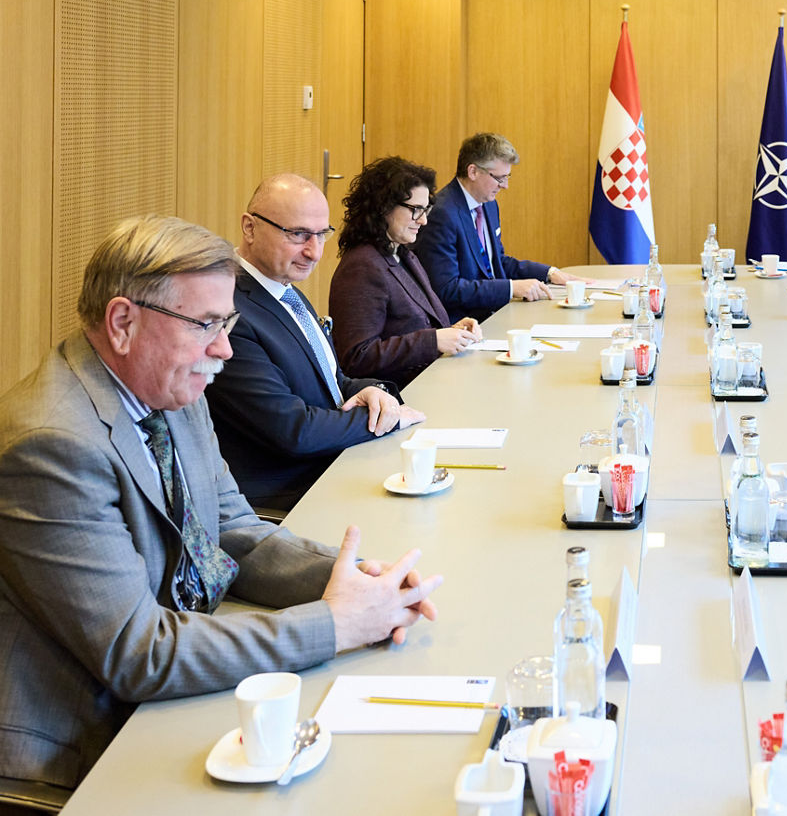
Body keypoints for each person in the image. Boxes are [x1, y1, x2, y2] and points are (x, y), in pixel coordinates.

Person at [0, 215, 442, 789]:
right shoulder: (51, 444)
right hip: (84, 739)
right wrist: (334, 625)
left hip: (173, 688)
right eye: (206, 323)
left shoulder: (169, 384)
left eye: (228, 321)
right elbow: (139, 655)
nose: (225, 348)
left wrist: (352, 580)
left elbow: (228, 527)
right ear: (122, 321)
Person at [204, 174, 425, 511]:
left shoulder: (285, 292)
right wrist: (385, 420)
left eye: (322, 235)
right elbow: (293, 430)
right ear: (250, 228)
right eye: (298, 235)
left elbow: (330, 380)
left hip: (330, 465)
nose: (315, 252)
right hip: (289, 495)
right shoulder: (230, 312)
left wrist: (374, 393)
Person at [329, 156, 482, 389]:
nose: (423, 220)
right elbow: (357, 357)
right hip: (400, 395)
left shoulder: (402, 253)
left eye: (426, 209)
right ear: (383, 206)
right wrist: (434, 341)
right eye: (415, 210)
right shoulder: (361, 266)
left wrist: (451, 332)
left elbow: (411, 328)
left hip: (429, 382)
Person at [415, 132, 589, 323]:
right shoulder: (442, 214)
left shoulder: (488, 204)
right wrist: (511, 288)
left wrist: (550, 273)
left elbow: (497, 261)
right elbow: (447, 289)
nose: (504, 186)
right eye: (499, 178)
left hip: (497, 313)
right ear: (473, 171)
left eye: (507, 177)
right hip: (465, 325)